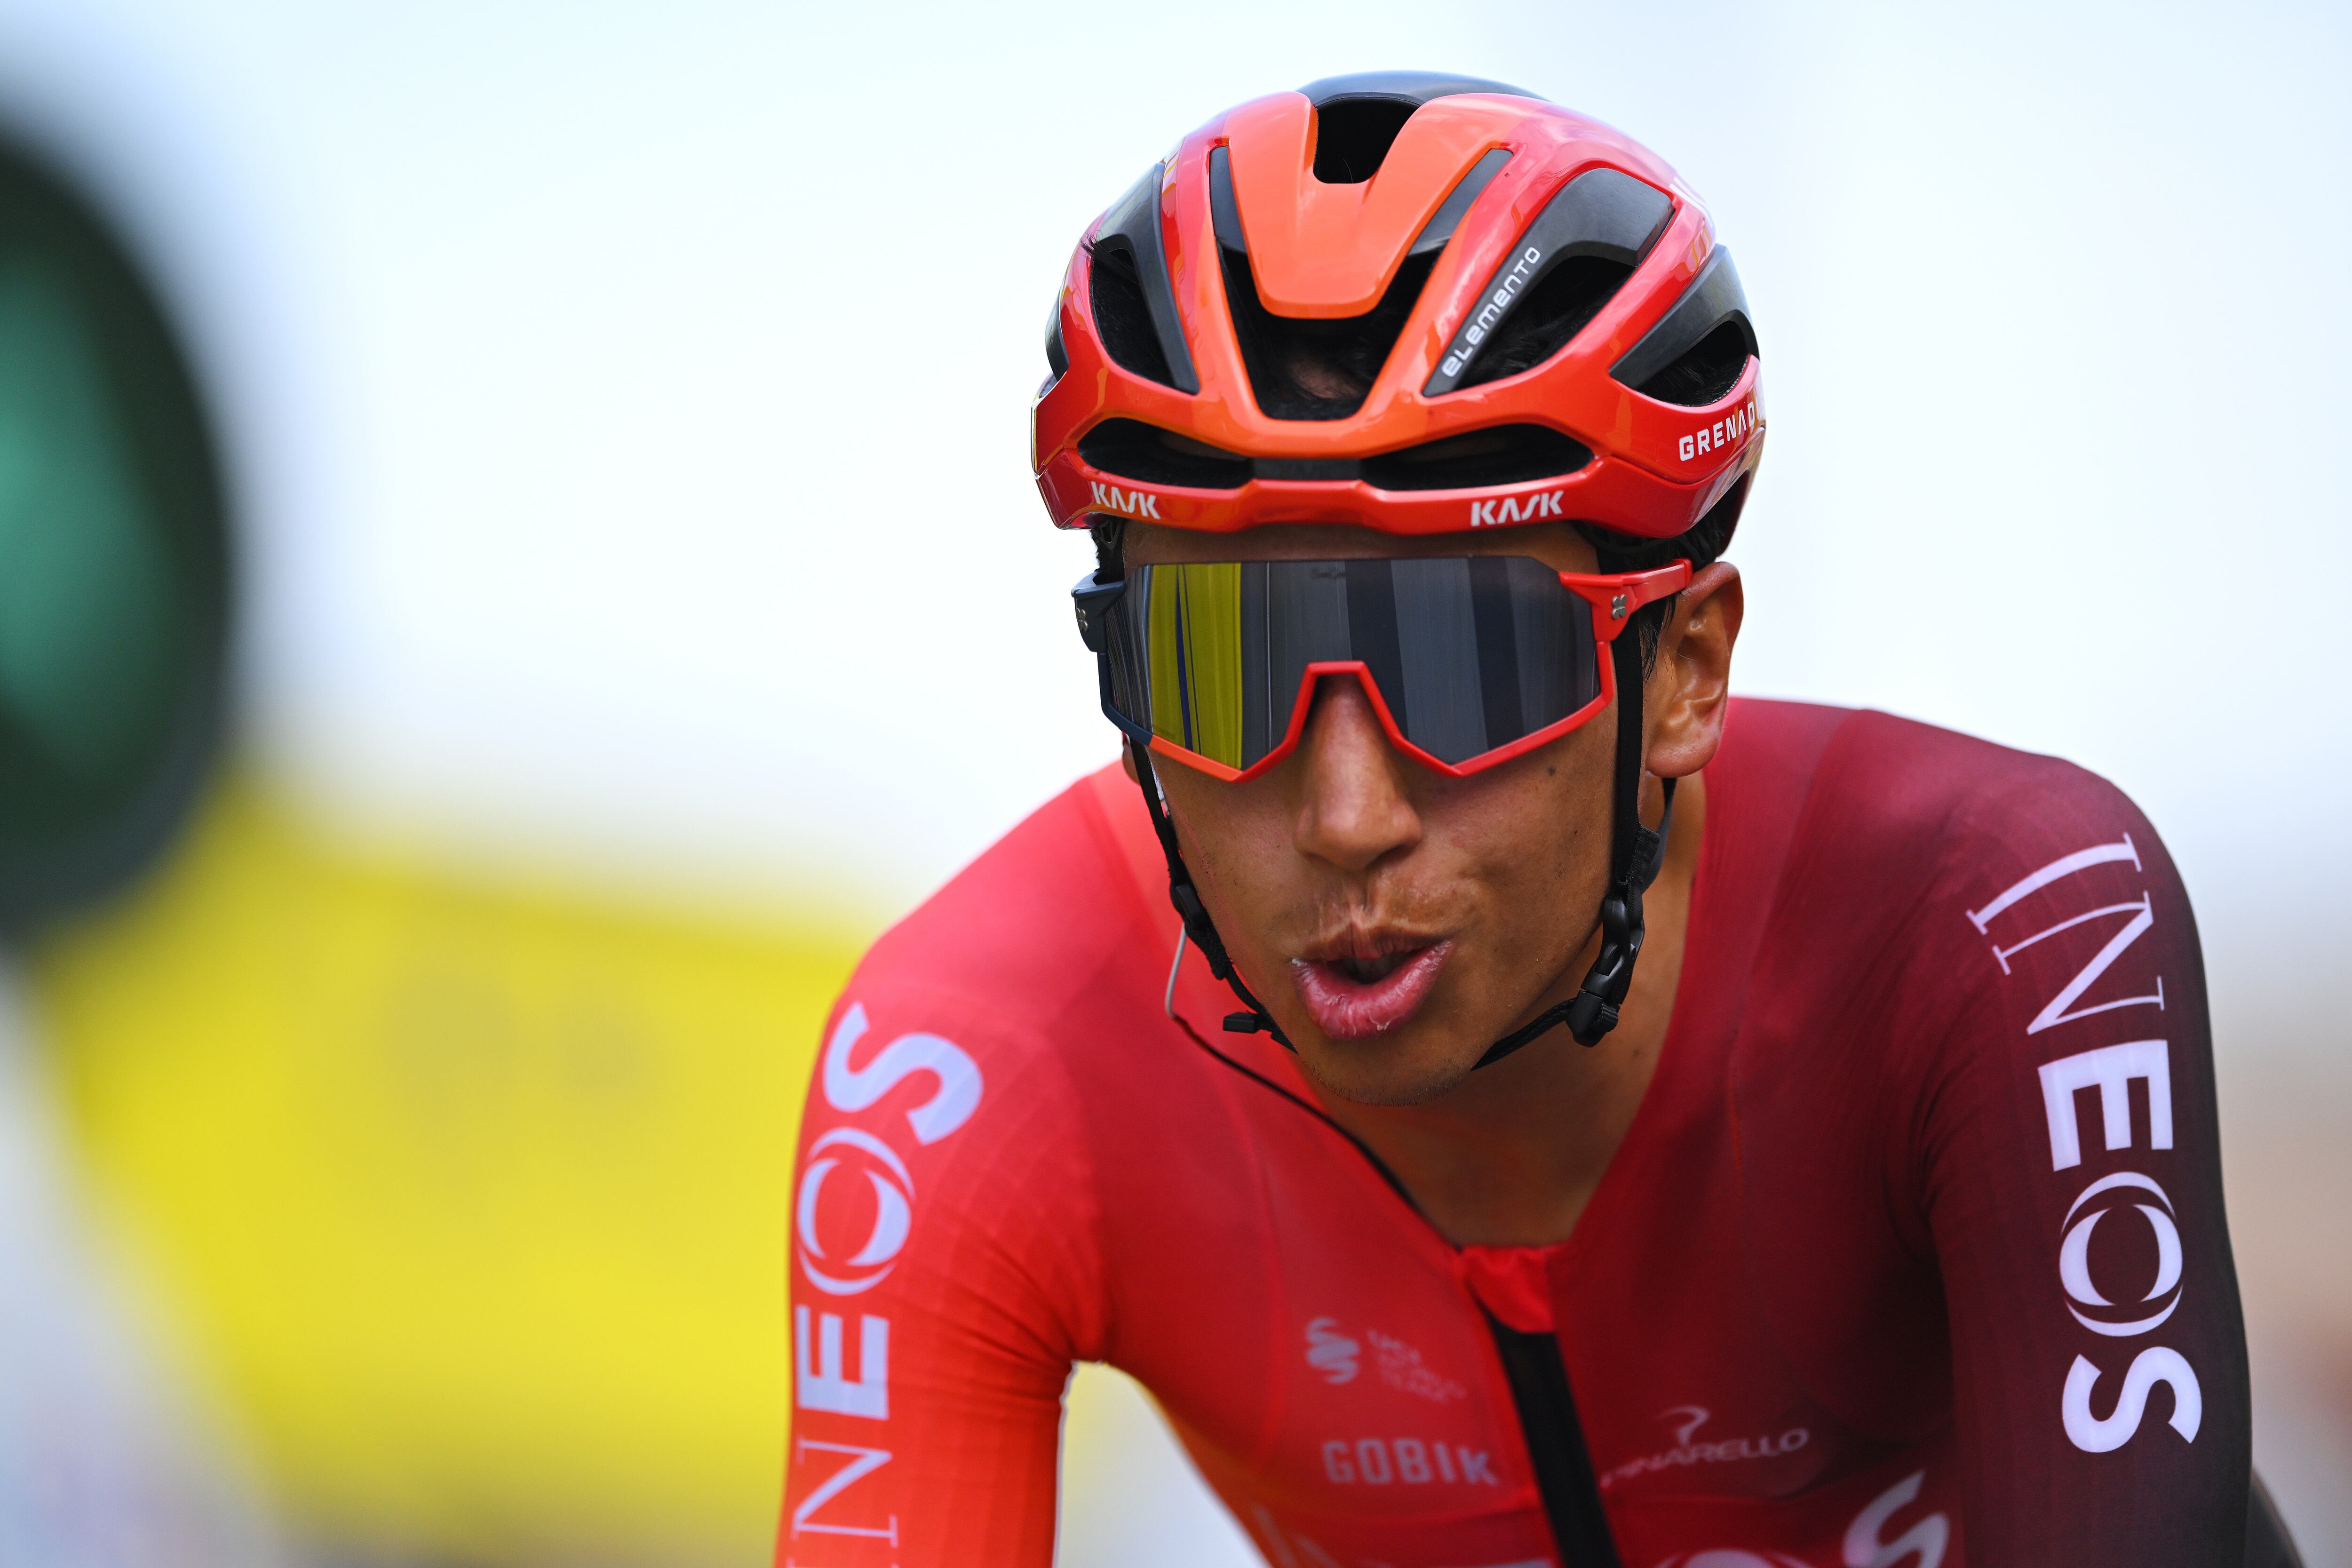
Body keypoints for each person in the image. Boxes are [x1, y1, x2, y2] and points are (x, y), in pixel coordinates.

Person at [778, 72, 2297, 1568]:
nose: (1349, 817)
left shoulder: (2004, 924)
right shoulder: (968, 1063)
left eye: (1469, 661)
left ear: (1687, 672)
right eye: (1221, 670)